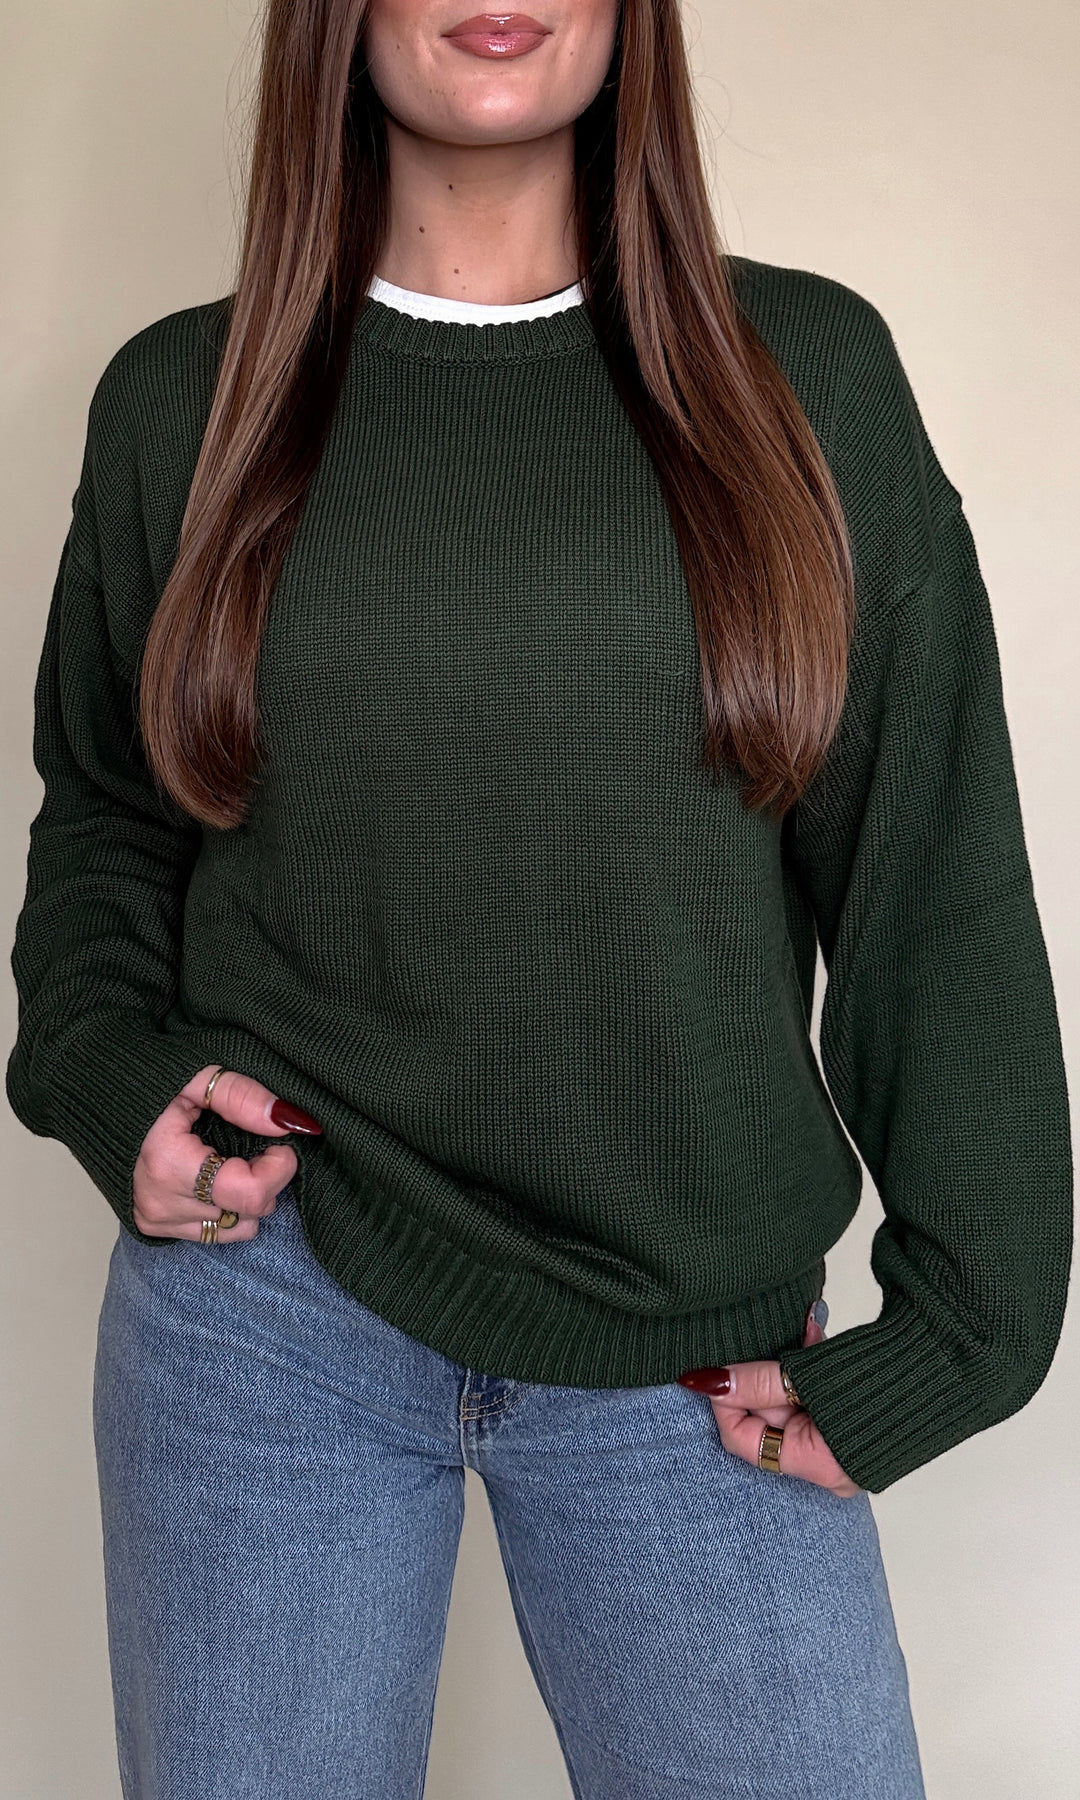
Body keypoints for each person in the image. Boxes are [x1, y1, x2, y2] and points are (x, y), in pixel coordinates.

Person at [6, 0, 1072, 1795]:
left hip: (695, 1345)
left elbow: (929, 872)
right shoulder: (180, 399)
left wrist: (968, 1332)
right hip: (267, 1318)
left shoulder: (806, 374)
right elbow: (111, 816)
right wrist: (114, 1080)